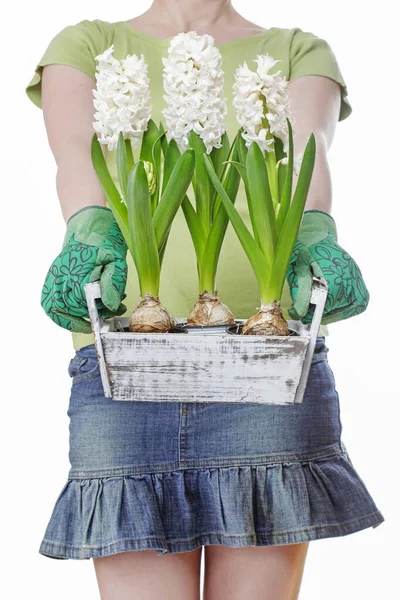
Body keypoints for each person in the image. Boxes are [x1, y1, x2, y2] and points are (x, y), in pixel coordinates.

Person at [25, 1, 384, 598]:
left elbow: (306, 157)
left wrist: (314, 239)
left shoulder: (298, 49)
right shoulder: (88, 43)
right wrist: (89, 236)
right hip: (124, 371)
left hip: (268, 369)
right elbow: (77, 159)